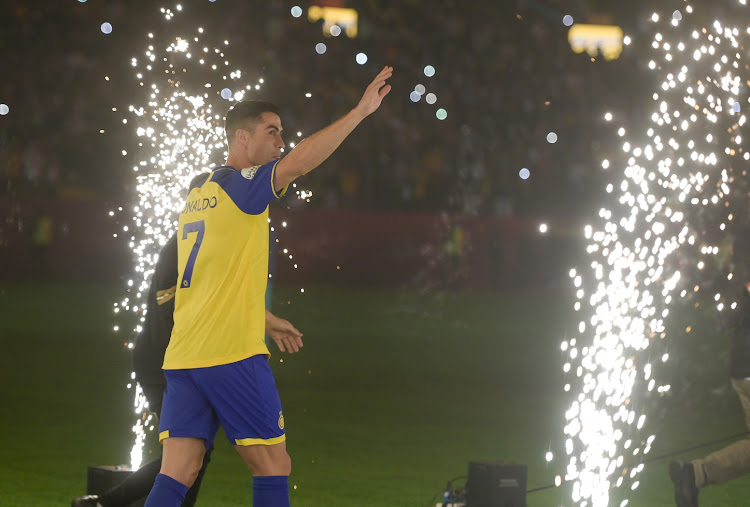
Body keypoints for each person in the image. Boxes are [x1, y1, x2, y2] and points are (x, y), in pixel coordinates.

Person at [144, 66, 393, 507]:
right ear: (243, 139)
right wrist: (359, 113)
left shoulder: (199, 192)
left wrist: (264, 317)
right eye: (272, 132)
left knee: (179, 470)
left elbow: (207, 283)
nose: (280, 143)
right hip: (230, 354)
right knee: (273, 465)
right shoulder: (243, 188)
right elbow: (298, 163)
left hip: (184, 355)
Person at [73, 175, 303, 507]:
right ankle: (102, 503)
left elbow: (216, 300)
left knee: (185, 462)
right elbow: (183, 310)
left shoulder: (190, 239)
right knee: (195, 462)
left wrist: (263, 321)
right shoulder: (184, 245)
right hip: (170, 357)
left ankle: (101, 503)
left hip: (181, 356)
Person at [669, 234, 750, 507]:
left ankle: (696, 474)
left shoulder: (738, 271)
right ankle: (696, 474)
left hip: (742, 368)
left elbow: (724, 318)